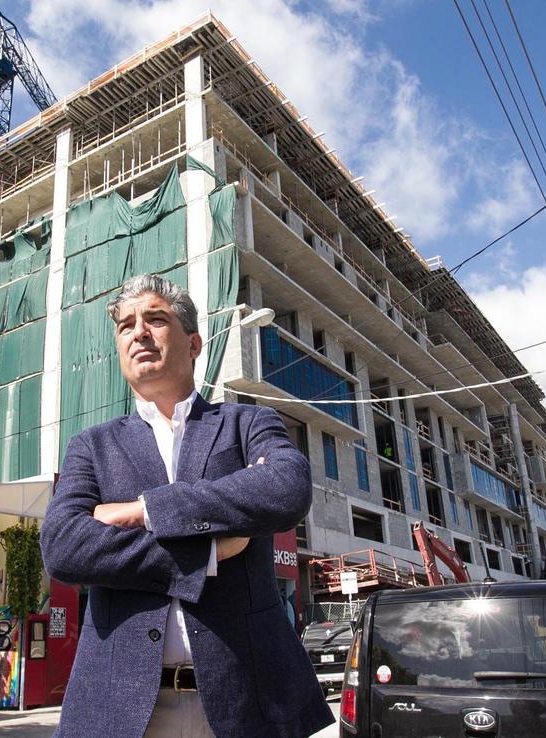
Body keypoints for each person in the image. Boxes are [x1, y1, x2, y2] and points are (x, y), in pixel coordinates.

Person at [41, 274, 333, 738]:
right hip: (120, 709)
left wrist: (144, 511)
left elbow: (286, 489)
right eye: (126, 326)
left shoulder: (247, 422)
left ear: (194, 344)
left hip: (249, 703)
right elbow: (64, 547)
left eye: (156, 319)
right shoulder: (91, 446)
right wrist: (208, 554)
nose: (138, 332)